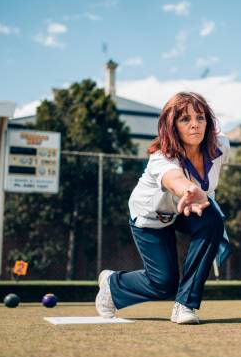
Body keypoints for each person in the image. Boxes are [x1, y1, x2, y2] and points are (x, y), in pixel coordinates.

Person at [95, 92, 230, 324]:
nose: (195, 125)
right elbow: (173, 178)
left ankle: (185, 305)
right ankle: (112, 285)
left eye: (200, 117)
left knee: (213, 219)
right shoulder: (161, 157)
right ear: (172, 125)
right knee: (163, 283)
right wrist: (188, 189)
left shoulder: (220, 145)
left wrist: (201, 197)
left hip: (187, 209)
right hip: (151, 213)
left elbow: (211, 175)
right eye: (185, 119)